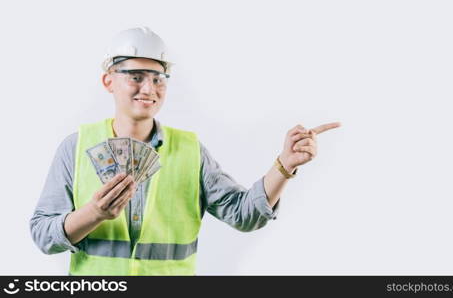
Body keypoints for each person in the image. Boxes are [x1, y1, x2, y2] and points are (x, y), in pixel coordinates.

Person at [30, 26, 341, 275]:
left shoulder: (191, 151)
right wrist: (93, 214)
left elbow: (244, 215)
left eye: (158, 78)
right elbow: (43, 236)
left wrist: (284, 165)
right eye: (136, 77)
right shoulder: (77, 147)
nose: (149, 89)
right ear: (108, 81)